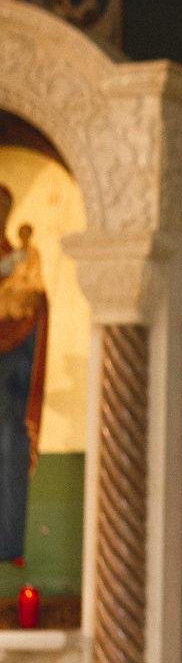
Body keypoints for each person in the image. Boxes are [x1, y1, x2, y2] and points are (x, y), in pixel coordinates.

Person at [0, 195, 47, 566]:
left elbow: (37, 302)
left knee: (9, 445)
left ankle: (8, 545)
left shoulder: (22, 259)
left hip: (13, 371)